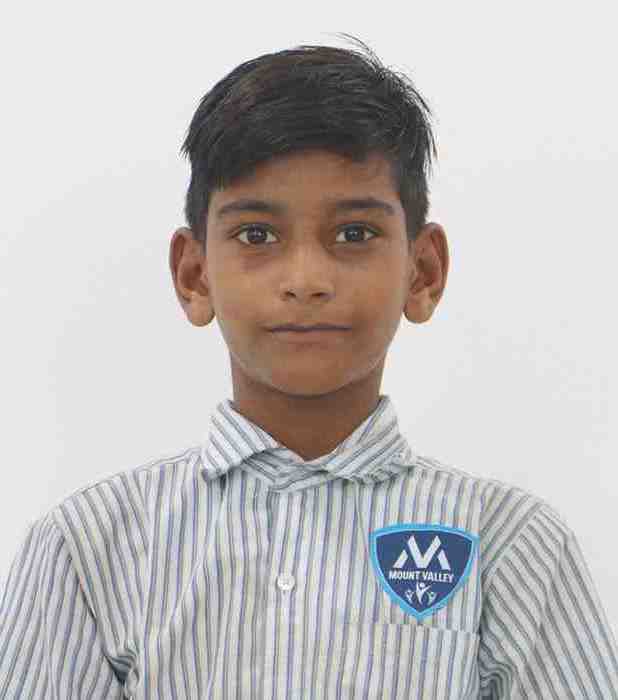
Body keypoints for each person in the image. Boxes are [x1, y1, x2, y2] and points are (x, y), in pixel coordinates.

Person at [1, 32, 617, 699]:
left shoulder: (512, 545)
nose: (305, 280)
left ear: (423, 272)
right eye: (257, 235)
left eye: (354, 233)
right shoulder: (86, 551)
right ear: (194, 275)